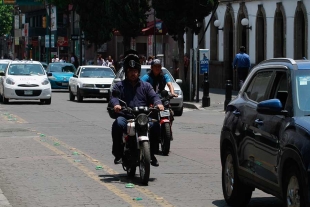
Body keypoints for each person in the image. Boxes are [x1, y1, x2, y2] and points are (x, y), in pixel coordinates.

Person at [109, 50, 164, 167]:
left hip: (143, 116)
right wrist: (116, 105)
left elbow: (154, 96)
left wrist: (158, 104)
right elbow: (114, 97)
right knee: (117, 124)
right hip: (126, 116)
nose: (133, 73)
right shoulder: (119, 86)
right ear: (126, 72)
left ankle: (152, 154)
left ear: (138, 72)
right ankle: (118, 154)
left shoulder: (146, 86)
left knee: (155, 126)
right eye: (130, 71)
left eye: (135, 71)